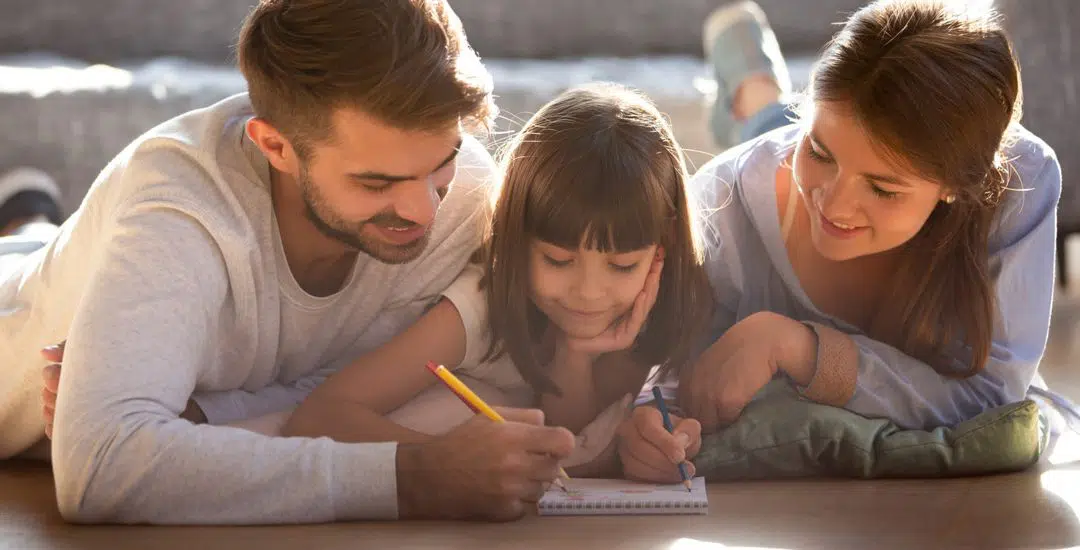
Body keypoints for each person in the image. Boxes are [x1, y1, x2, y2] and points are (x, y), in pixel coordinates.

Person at [1, 0, 575, 524]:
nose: (422, 210)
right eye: (376, 181)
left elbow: (368, 378)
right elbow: (101, 466)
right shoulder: (179, 207)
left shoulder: (466, 193)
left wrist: (209, 415)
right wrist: (412, 476)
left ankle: (28, 214)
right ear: (274, 146)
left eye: (440, 163)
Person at [618, 0, 1063, 483]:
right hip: (773, 156)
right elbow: (662, 368)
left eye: (882, 187)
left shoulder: (1019, 183)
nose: (835, 204)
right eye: (818, 151)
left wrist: (800, 346)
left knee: (784, 130)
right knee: (769, 128)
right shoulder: (723, 206)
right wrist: (645, 417)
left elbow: (992, 399)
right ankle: (756, 88)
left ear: (957, 186)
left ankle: (758, 89)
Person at [277, 83, 713, 478]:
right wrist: (454, 459)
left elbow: (569, 431)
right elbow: (319, 417)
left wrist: (574, 355)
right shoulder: (481, 306)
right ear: (515, 235)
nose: (589, 293)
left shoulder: (654, 305)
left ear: (664, 245)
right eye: (558, 260)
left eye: (621, 266)